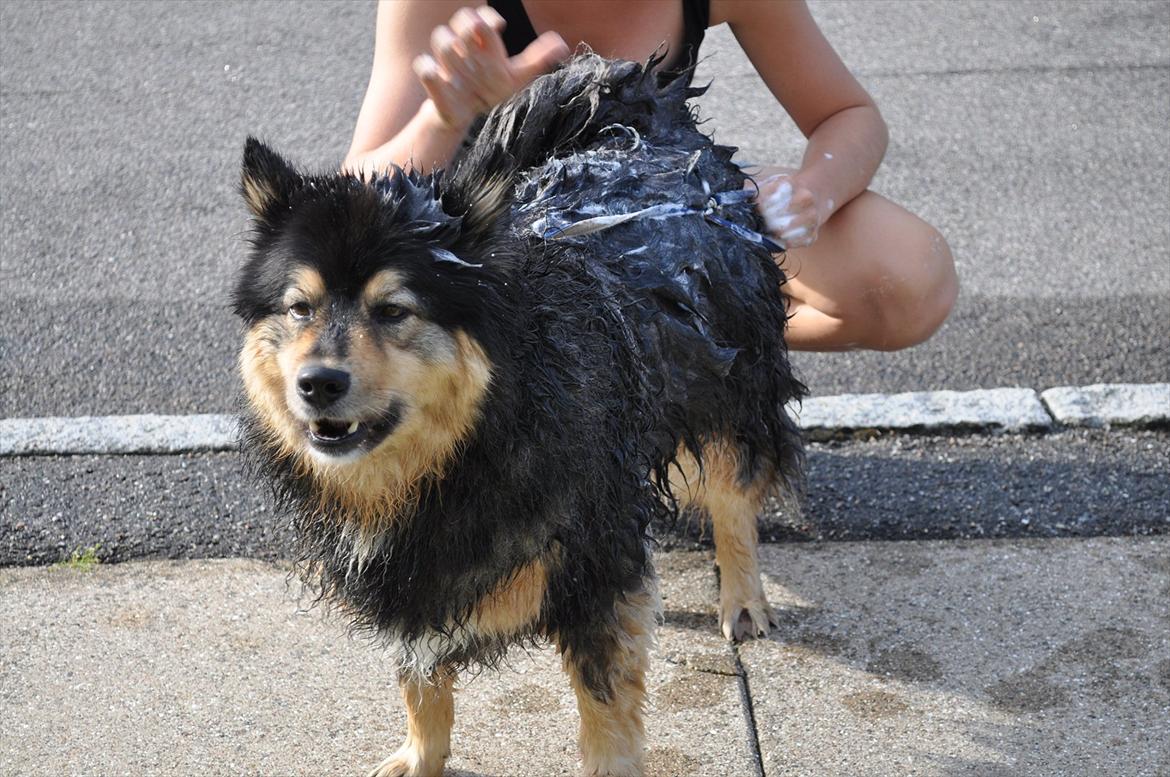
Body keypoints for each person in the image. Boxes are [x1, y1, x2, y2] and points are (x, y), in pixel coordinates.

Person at [344, 1, 958, 352]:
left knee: (904, 276)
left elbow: (849, 116)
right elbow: (353, 199)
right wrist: (442, 118)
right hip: (497, 262)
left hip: (657, 230)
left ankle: (689, 365)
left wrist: (810, 193)